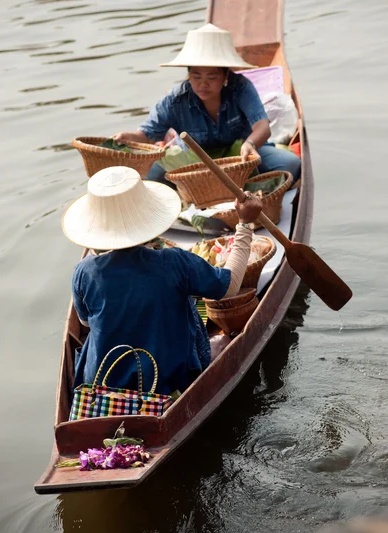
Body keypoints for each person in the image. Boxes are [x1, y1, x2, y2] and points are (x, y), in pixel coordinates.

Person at [62, 165, 263, 396]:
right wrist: (245, 225)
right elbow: (229, 286)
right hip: (166, 383)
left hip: (102, 385)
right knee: (205, 322)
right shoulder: (174, 262)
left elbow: (86, 324)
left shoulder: (84, 271)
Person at [112, 23, 301, 185]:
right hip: (195, 162)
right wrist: (127, 137)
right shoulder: (175, 101)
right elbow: (147, 135)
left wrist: (250, 144)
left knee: (291, 164)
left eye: (212, 77)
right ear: (188, 75)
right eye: (196, 76)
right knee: (149, 173)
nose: (203, 84)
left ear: (226, 76)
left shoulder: (241, 88)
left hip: (242, 156)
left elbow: (263, 126)